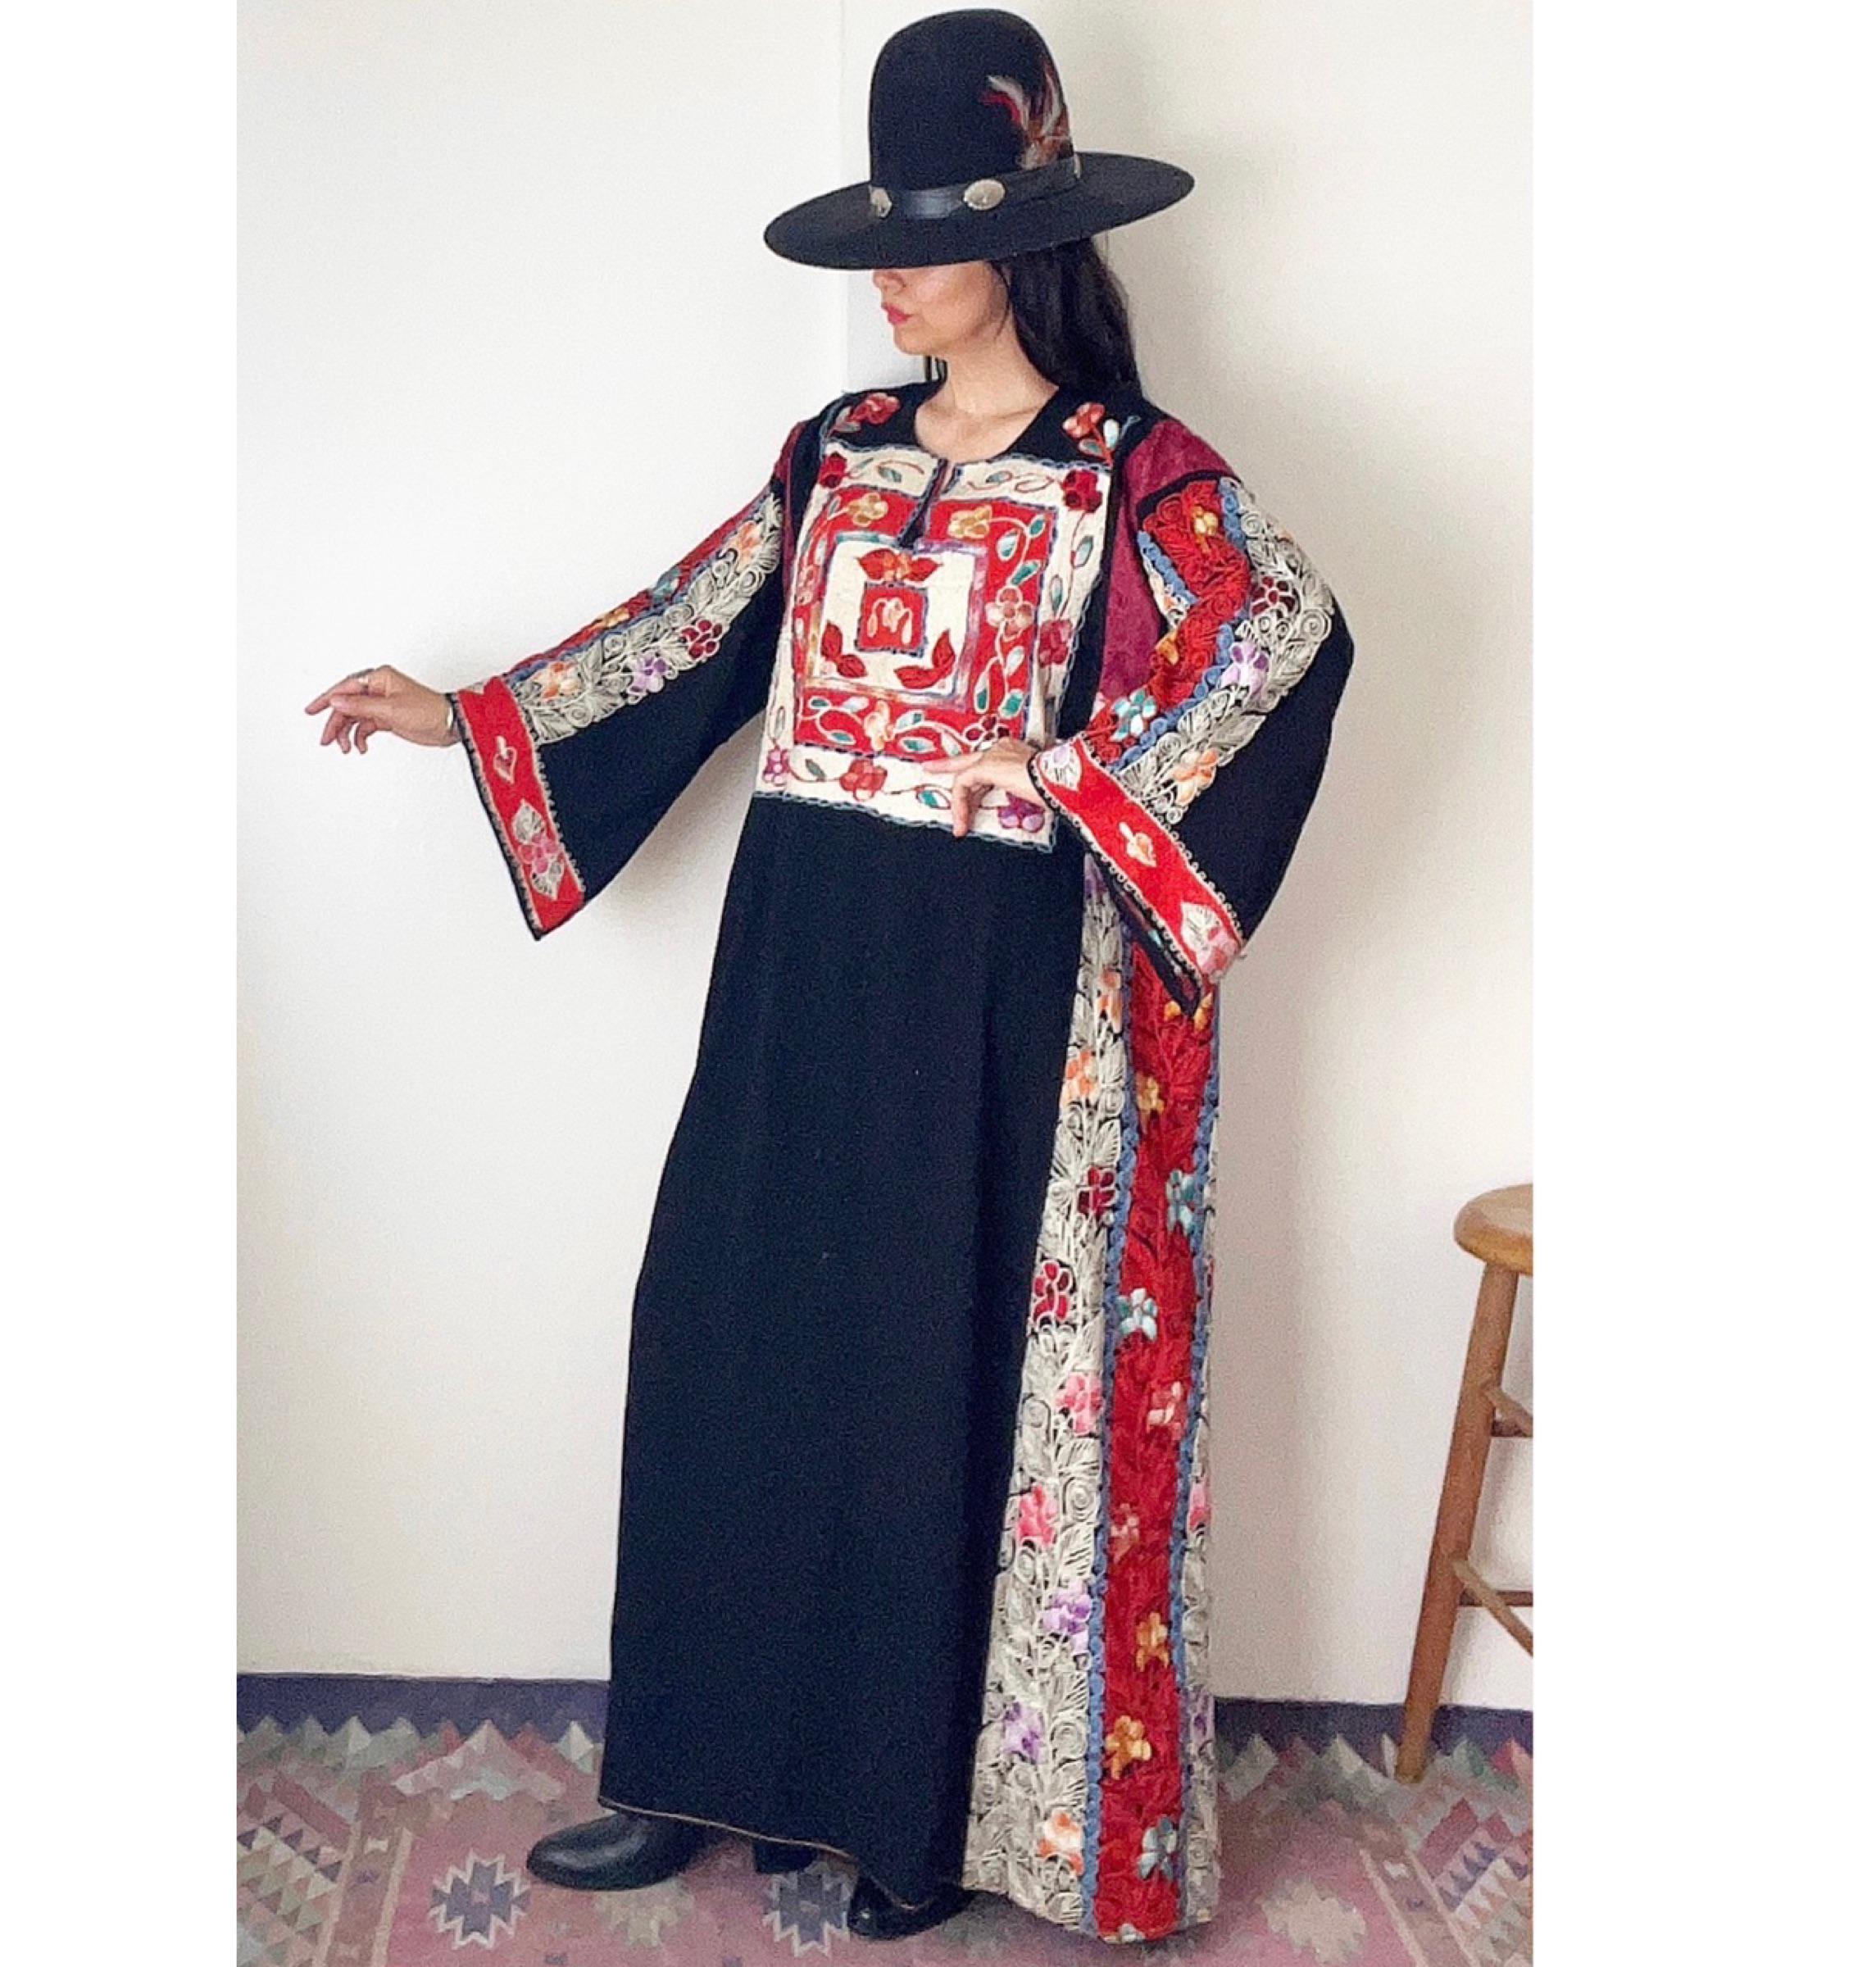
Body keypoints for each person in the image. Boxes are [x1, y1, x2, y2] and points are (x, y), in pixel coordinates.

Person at [302, 8, 1353, 1946]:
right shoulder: (842, 452)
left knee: (921, 1371)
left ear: (1022, 241)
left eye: (926, 241)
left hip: (992, 986)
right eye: (881, 238)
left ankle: (902, 1821)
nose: (891, 278)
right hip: (803, 948)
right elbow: (695, 632)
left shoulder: (1136, 471)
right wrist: (472, 719)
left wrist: (1074, 771)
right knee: (730, 1333)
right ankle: (690, 1769)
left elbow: (1283, 636)